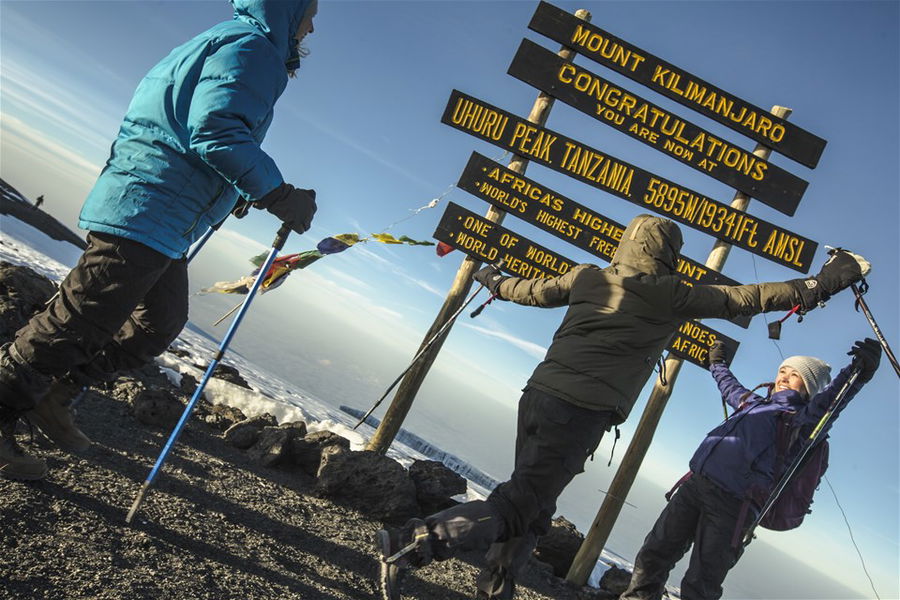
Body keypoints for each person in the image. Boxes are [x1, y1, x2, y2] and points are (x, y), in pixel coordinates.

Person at [374, 214, 872, 600]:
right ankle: (417, 541)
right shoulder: (670, 294)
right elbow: (750, 297)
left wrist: (491, 279)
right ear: (669, 255)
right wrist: (822, 284)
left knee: (533, 503)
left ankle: (492, 592)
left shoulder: (590, 278)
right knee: (521, 502)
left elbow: (528, 291)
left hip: (539, 397)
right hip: (581, 411)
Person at [0, 0, 320, 481]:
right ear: (289, 11)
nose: (312, 28)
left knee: (160, 322)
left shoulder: (232, 41)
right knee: (79, 319)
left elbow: (188, 123)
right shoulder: (255, 49)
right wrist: (277, 192)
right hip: (150, 205)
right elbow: (214, 130)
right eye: (310, 15)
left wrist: (231, 188)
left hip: (163, 213)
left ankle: (54, 395)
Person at [620, 337, 882, 600]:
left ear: (809, 388)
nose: (784, 378)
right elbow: (728, 385)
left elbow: (832, 402)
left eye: (795, 375)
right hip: (695, 486)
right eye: (783, 371)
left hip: (734, 507)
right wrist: (717, 362)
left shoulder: (803, 422)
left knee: (701, 584)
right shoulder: (753, 403)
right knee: (653, 555)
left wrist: (858, 374)